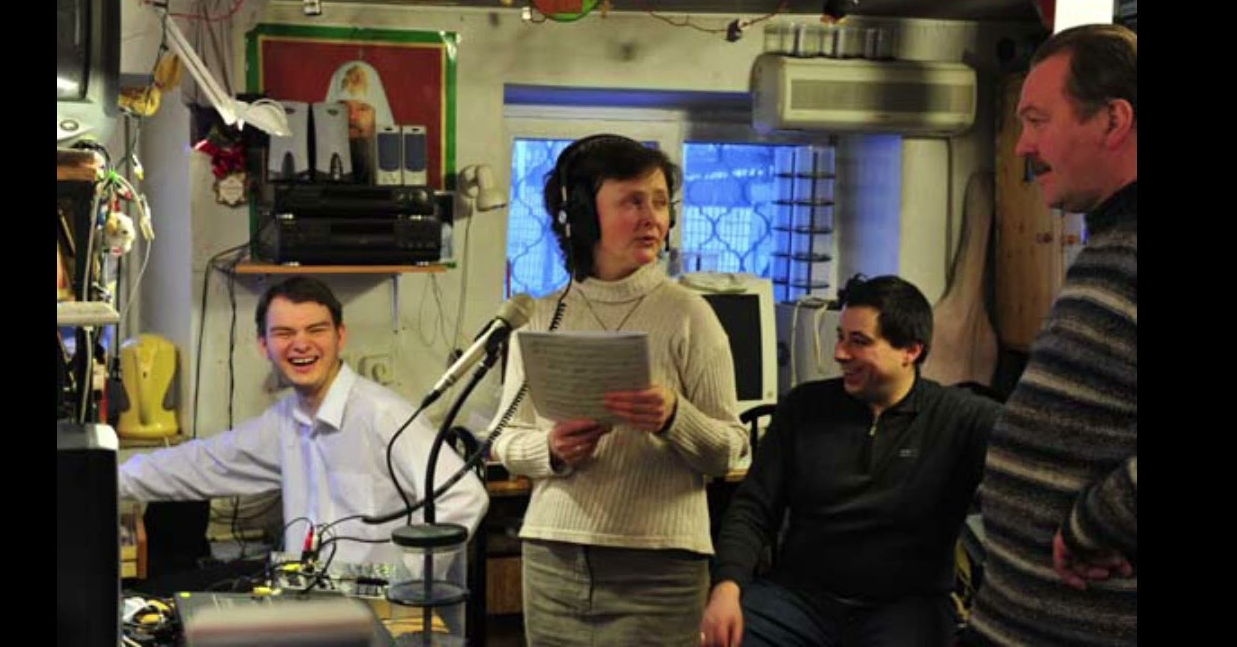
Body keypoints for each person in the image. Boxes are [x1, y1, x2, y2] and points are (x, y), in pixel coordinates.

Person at [489, 134, 750, 646]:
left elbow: (730, 451)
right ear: (582, 216)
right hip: (554, 559)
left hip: (659, 568)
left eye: (660, 202)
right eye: (633, 201)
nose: (653, 218)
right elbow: (503, 440)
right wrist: (551, 449)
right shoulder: (541, 316)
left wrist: (674, 417)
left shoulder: (690, 315)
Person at [701, 275, 1002, 647]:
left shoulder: (960, 418)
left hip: (905, 607)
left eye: (859, 341)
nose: (840, 354)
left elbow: (1032, 447)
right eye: (840, 337)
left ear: (910, 350)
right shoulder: (803, 407)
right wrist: (727, 588)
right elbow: (752, 509)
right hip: (798, 600)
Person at [119, 276, 489, 570]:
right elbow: (201, 464)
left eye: (316, 330)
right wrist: (104, 479)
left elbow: (463, 498)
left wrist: (408, 583)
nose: (301, 344)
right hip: (315, 608)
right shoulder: (285, 421)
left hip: (380, 619)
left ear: (340, 336)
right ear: (263, 345)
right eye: (283, 333)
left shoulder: (382, 415)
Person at [966, 24, 1137, 646]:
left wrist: (1096, 524)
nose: (1022, 146)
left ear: (1113, 120)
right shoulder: (1111, 245)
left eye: (1037, 120)